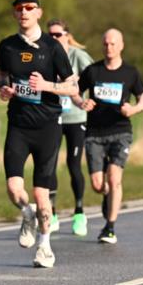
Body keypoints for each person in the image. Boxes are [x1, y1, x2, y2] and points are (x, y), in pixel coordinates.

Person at [0, 0, 76, 268]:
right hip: (18, 124)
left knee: (43, 195)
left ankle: (44, 246)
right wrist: (4, 90)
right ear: (14, 13)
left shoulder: (53, 48)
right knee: (13, 188)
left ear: (39, 12)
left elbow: (73, 86)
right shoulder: (7, 46)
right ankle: (26, 213)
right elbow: (2, 75)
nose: (24, 12)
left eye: (29, 8)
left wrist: (47, 86)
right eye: (19, 8)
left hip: (47, 127)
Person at [74, 28, 143, 243]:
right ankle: (107, 194)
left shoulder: (130, 73)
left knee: (114, 178)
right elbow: (75, 92)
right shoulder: (92, 71)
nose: (109, 47)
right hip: (94, 133)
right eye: (106, 43)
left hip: (120, 131)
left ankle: (110, 227)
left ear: (121, 45)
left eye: (113, 43)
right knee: (99, 185)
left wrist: (132, 110)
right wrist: (82, 103)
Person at [47, 19, 94, 236]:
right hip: (53, 117)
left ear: (67, 35)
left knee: (73, 163)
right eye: (50, 35)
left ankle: (79, 213)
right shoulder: (45, 53)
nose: (53, 38)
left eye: (57, 35)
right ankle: (53, 213)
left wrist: (88, 99)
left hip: (76, 118)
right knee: (50, 164)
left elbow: (95, 76)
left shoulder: (77, 55)